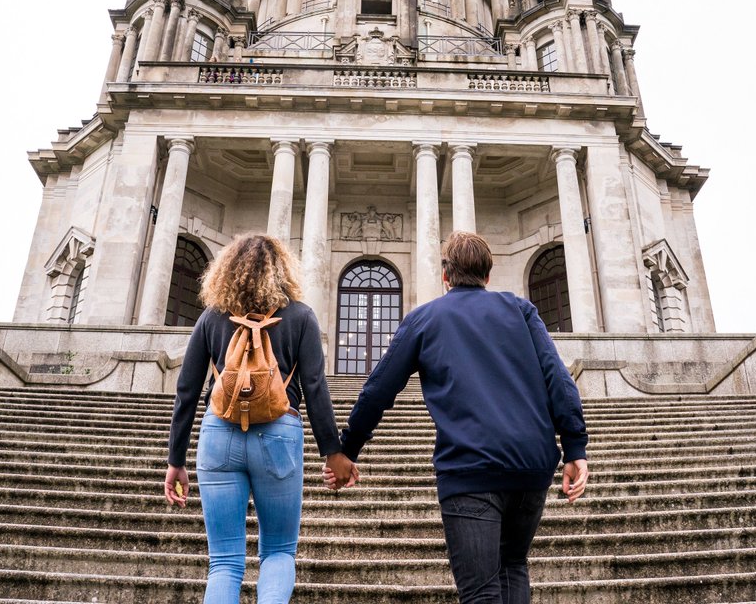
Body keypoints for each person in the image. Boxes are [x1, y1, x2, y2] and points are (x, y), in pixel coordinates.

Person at [329, 231, 588, 604]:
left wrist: (347, 447)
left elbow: (378, 391)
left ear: (445, 275)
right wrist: (575, 446)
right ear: (488, 273)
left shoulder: (425, 319)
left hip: (470, 468)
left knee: (481, 591)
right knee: (513, 564)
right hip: (532, 466)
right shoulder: (521, 310)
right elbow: (558, 378)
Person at [164, 233, 358, 604]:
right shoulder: (300, 315)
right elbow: (315, 387)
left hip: (218, 432)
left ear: (226, 272)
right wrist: (333, 453)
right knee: (279, 552)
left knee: (223, 562)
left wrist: (176, 460)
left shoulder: (211, 317)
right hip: (280, 433)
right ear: (281, 269)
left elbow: (187, 391)